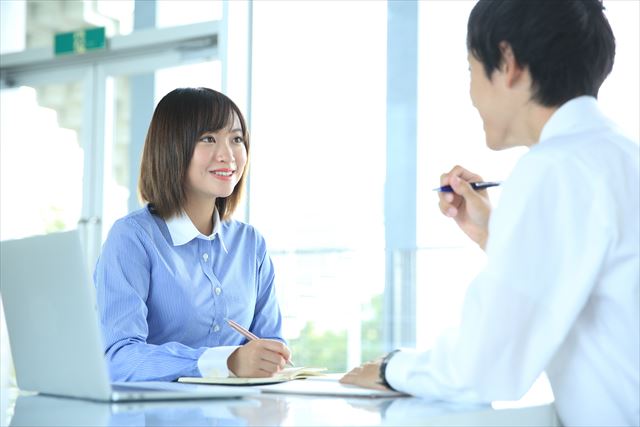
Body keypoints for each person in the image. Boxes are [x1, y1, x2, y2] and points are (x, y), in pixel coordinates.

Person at [341, 1, 639, 425]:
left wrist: (391, 368)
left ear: (507, 62)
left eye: (471, 69)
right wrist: (494, 235)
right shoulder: (621, 156)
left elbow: (485, 366)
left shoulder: (553, 168)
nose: (471, 94)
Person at [94, 87, 291, 382]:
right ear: (172, 147)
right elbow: (117, 358)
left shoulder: (250, 244)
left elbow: (269, 345)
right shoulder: (132, 237)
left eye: (237, 139)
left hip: (241, 407)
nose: (228, 155)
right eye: (208, 138)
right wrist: (226, 362)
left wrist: (270, 358)